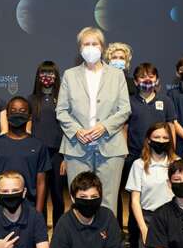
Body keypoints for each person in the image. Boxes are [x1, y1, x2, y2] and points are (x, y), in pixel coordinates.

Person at [56, 27, 131, 215]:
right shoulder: (69, 75)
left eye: (94, 44)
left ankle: (108, 242)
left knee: (108, 200)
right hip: (77, 146)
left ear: (102, 47)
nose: (90, 48)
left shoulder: (117, 75)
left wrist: (104, 127)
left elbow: (125, 110)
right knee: (80, 199)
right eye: (86, 44)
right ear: (80, 49)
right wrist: (77, 130)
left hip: (110, 146)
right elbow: (62, 111)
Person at [122, 63, 177, 248]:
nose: (147, 80)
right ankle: (134, 242)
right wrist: (125, 151)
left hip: (161, 156)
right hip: (135, 156)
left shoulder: (166, 100)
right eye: (143, 77)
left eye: (151, 77)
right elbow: (125, 128)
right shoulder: (129, 101)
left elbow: (171, 127)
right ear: (136, 81)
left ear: (157, 80)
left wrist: (173, 152)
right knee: (135, 200)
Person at [0, 96, 50, 214]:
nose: (17, 114)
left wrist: (38, 213)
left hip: (29, 208)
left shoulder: (39, 146)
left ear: (30, 116)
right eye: (13, 111)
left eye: (22, 111)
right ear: (7, 116)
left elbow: (41, 183)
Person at [125, 122, 175, 248]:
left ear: (170, 140)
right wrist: (144, 229)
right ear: (148, 139)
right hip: (149, 220)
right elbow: (135, 201)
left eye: (165, 138)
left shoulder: (177, 163)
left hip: (173, 219)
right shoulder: (138, 165)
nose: (161, 141)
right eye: (157, 137)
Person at [28, 61, 67, 228]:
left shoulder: (63, 99)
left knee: (58, 194)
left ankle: (59, 231)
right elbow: (28, 127)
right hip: (38, 154)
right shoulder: (31, 99)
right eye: (43, 73)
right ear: (38, 76)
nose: (47, 77)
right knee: (39, 195)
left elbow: (67, 128)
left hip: (57, 154)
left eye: (50, 73)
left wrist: (66, 156)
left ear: (56, 76)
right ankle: (40, 230)